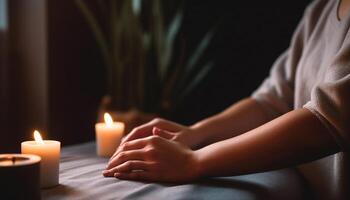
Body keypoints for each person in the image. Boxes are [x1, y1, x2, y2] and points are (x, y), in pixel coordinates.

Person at [103, 0, 350, 199]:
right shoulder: (321, 9)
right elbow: (271, 101)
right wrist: (194, 134)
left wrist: (193, 161)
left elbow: (325, 123)